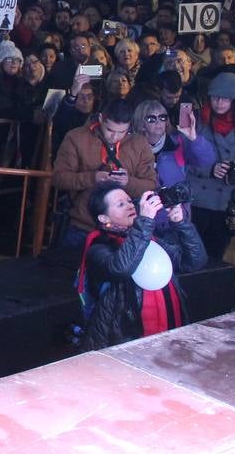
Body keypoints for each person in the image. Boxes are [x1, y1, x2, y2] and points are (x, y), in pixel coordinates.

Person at [78, 185, 206, 350]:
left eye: (130, 201)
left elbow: (194, 261)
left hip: (169, 322)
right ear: (104, 218)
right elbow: (122, 268)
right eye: (120, 204)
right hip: (124, 336)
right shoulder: (98, 247)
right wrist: (144, 222)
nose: (130, 206)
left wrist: (181, 224)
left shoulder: (148, 239)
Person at [52, 98, 157, 250]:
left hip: (127, 231)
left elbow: (152, 186)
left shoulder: (139, 143)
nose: (114, 137)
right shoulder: (76, 137)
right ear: (101, 118)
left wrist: (128, 182)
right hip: (83, 226)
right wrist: (92, 178)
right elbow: (59, 178)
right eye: (110, 130)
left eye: (122, 132)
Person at [187, 72, 235, 259]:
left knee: (216, 255)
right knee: (193, 254)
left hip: (229, 203)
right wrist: (210, 170)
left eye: (225, 98)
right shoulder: (197, 121)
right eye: (215, 97)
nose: (219, 102)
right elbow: (184, 161)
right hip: (199, 200)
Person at [131, 99, 214, 220]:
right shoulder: (131, 147)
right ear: (142, 124)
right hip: (145, 217)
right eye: (151, 119)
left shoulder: (178, 142)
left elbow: (207, 160)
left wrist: (194, 139)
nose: (158, 122)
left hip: (177, 216)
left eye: (163, 117)